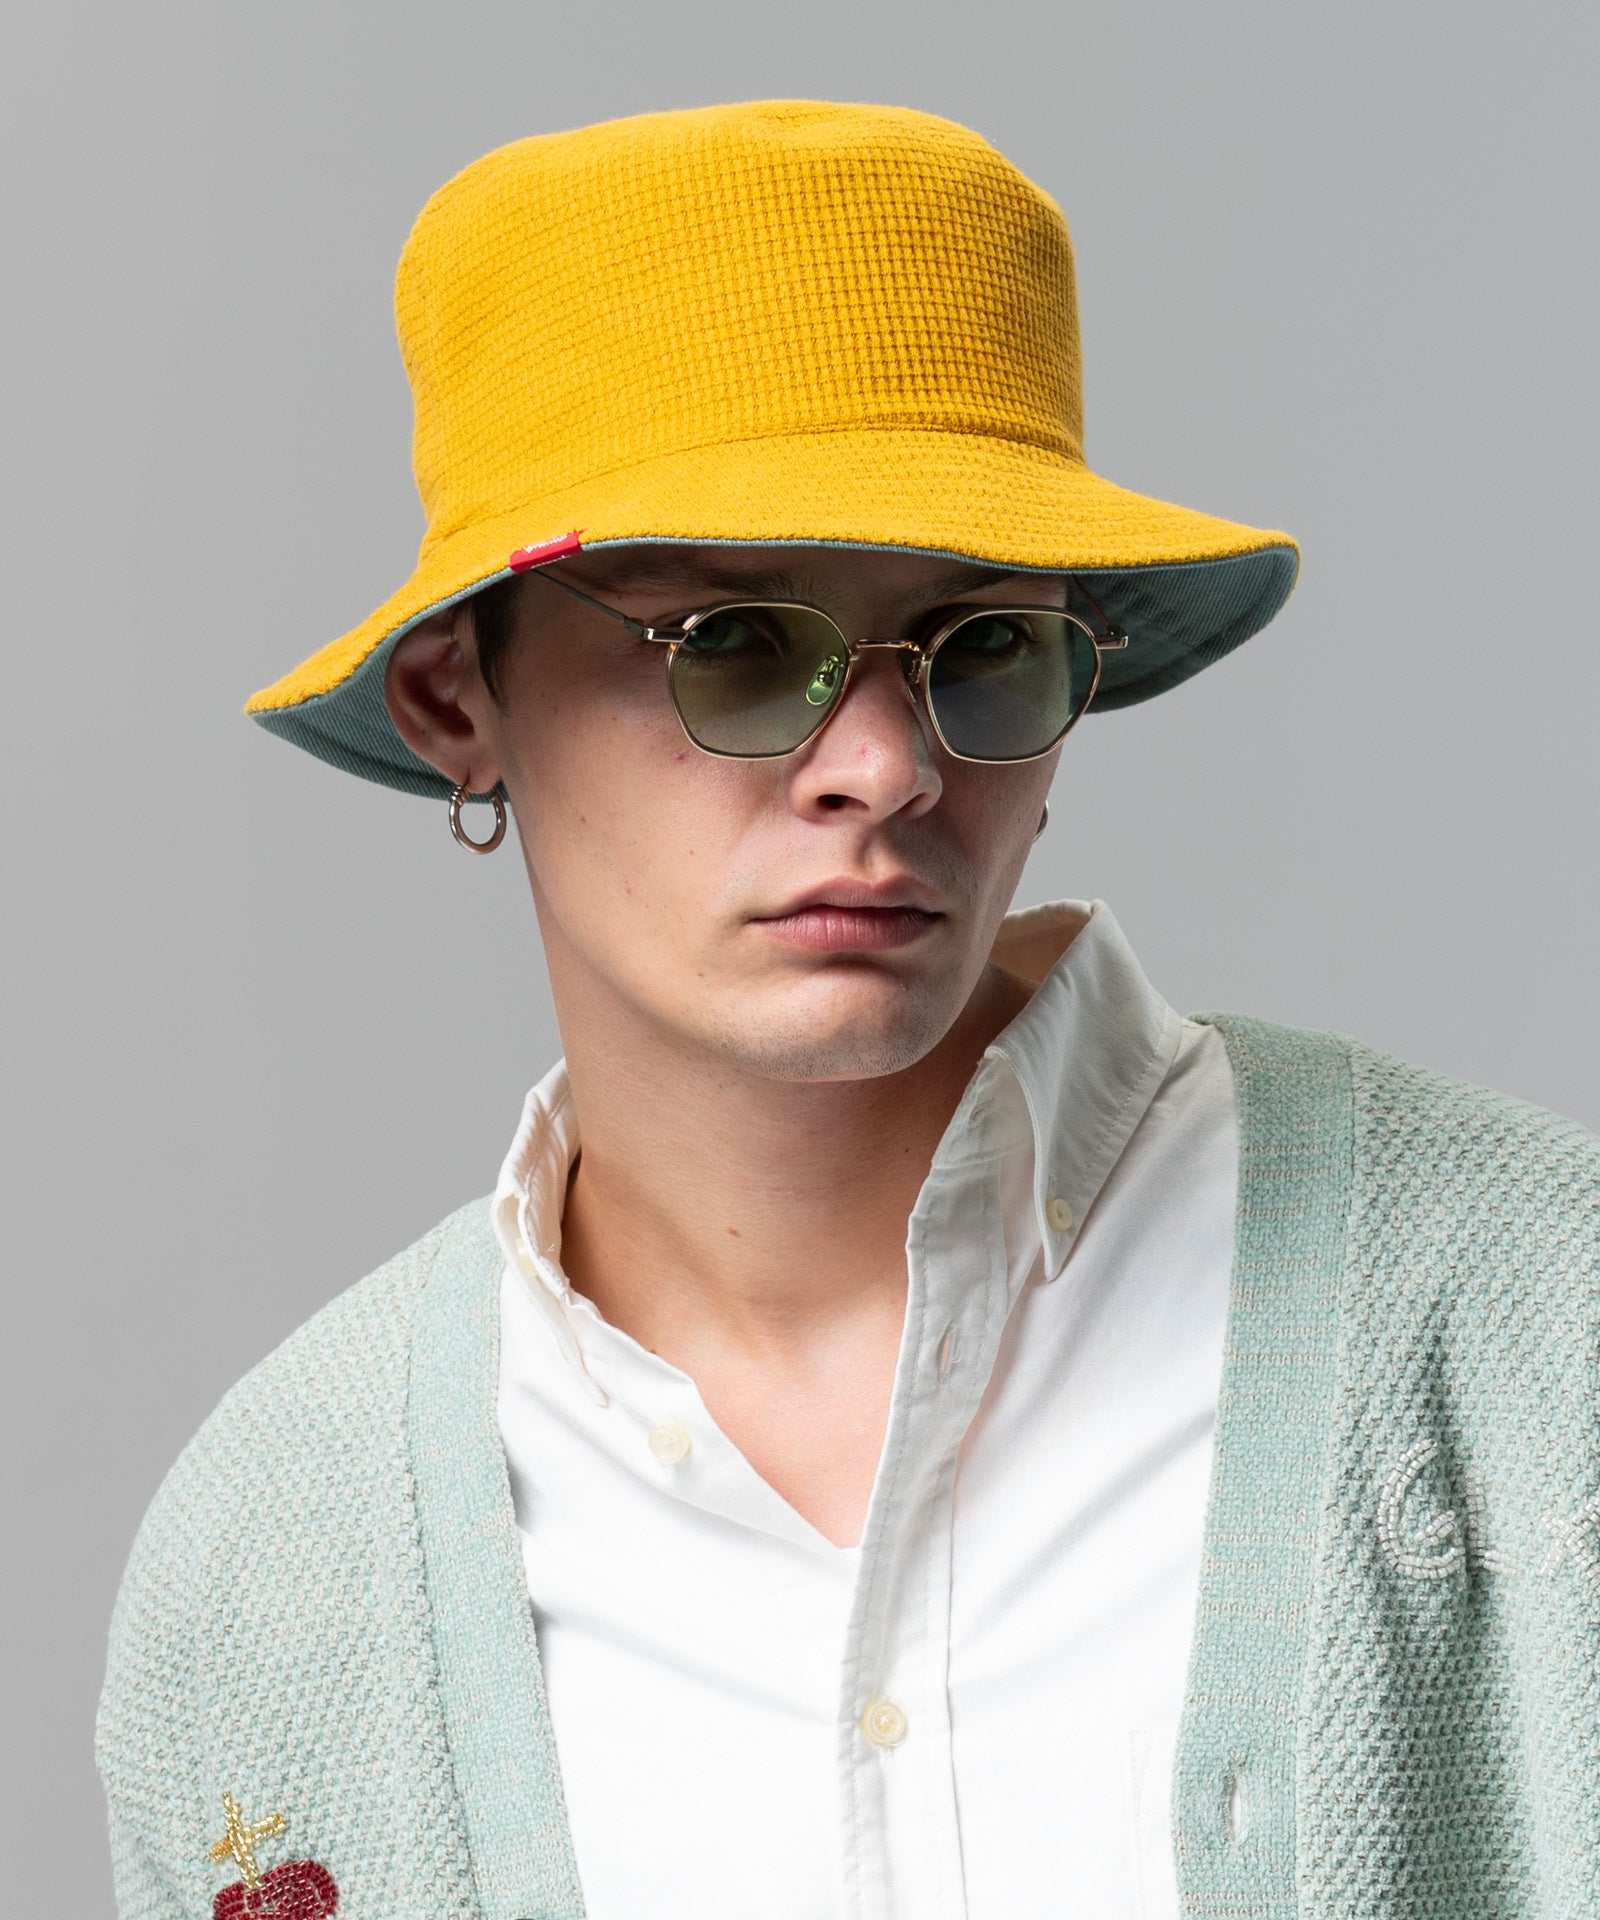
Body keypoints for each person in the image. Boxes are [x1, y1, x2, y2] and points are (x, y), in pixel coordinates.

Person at [97, 100, 1599, 1920]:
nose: (886, 767)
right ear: (452, 700)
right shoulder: (266, 1564)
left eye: (983, 646)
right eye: (732, 642)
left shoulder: (1544, 1333)